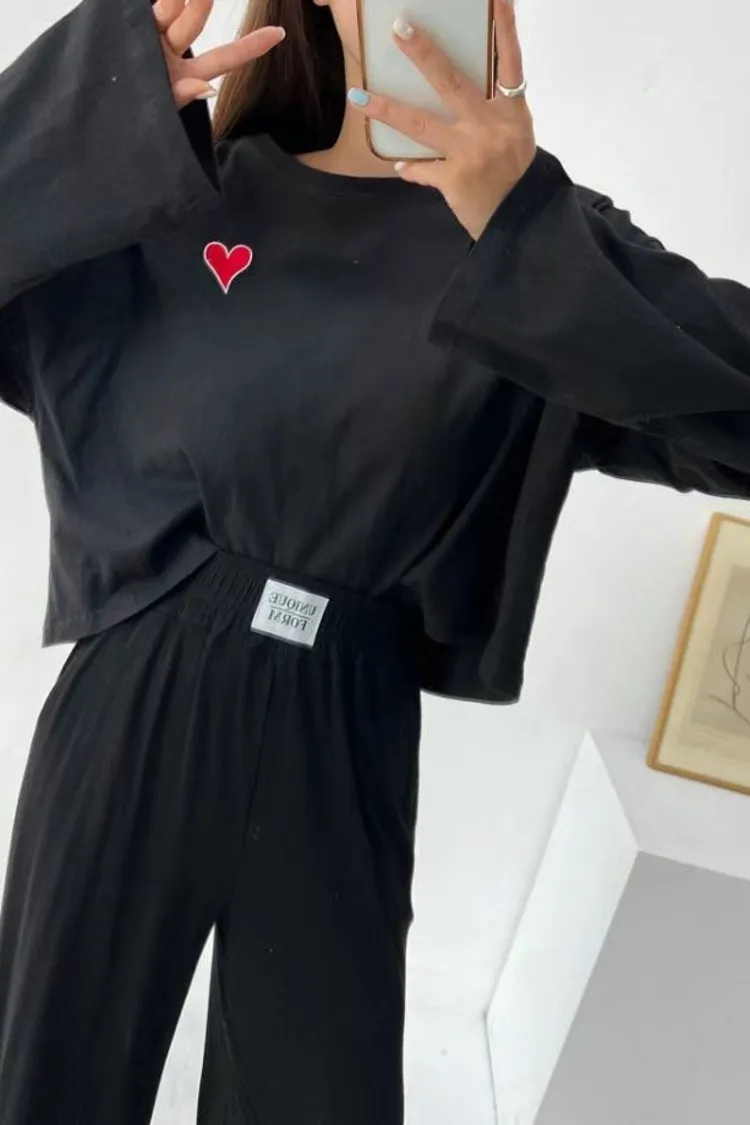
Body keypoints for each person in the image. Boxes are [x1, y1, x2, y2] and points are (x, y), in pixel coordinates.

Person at [1, 0, 749, 1120]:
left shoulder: (530, 244)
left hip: (346, 730)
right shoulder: (180, 193)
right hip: (137, 691)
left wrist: (528, 231)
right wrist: (90, 111)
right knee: (42, 1083)